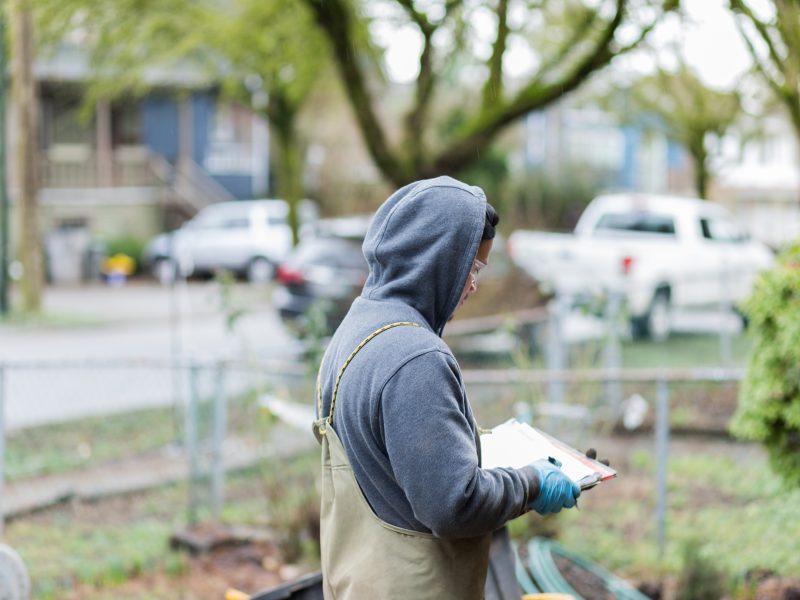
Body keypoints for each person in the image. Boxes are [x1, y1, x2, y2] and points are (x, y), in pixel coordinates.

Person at [313, 176, 580, 599]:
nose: (472, 284)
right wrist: (530, 482)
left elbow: (395, 466)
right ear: (436, 258)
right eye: (470, 267)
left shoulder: (357, 331)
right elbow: (454, 505)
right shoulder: (416, 358)